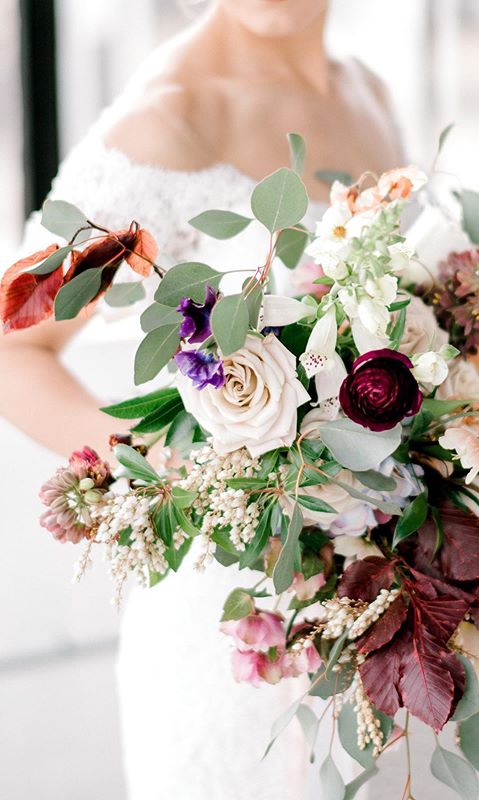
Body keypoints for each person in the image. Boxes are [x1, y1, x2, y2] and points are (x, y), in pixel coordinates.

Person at [0, 2, 404, 797]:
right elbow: (14, 347)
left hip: (376, 593)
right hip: (229, 608)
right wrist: (189, 474)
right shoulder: (170, 119)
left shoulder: (371, 93)